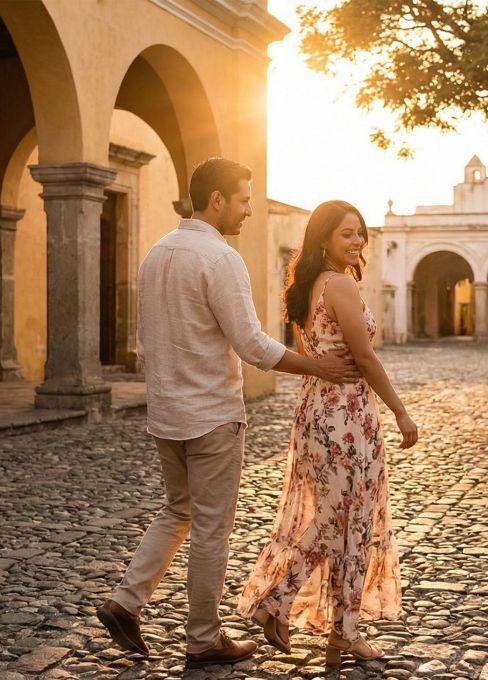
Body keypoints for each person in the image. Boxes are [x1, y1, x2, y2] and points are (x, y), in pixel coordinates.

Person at [96, 159, 361, 669]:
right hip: (211, 415)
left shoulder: (155, 253)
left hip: (166, 412)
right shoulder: (220, 258)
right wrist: (317, 366)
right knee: (211, 528)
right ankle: (202, 639)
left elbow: (145, 340)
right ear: (216, 200)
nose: (248, 210)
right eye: (243, 200)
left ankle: (125, 603)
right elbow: (252, 344)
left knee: (179, 510)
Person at [237, 200, 418, 666]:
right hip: (347, 416)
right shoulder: (340, 285)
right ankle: (280, 601)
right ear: (324, 239)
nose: (358, 241)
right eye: (347, 233)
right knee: (347, 520)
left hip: (316, 411)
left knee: (339, 519)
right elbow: (364, 357)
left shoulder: (306, 286)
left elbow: (310, 353)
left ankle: (341, 633)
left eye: (360, 232)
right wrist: (400, 412)